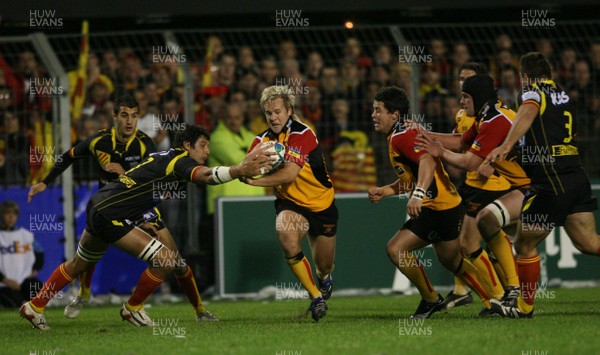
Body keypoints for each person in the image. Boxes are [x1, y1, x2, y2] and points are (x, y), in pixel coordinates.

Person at [20, 125, 272, 330]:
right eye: (203, 145)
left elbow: (140, 186)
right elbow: (205, 176)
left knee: (78, 264)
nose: (207, 151)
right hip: (112, 214)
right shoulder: (179, 161)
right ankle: (133, 308)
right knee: (166, 261)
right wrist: (238, 170)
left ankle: (35, 306)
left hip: (101, 205)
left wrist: (146, 216)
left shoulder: (158, 157)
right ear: (187, 146)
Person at [485, 52, 600, 318]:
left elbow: (528, 111)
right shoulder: (564, 94)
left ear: (525, 76)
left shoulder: (531, 92)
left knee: (524, 245)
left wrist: (506, 144)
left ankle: (523, 308)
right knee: (589, 242)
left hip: (551, 180)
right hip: (575, 175)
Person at [368, 86, 493, 319]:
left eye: (378, 110)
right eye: (373, 110)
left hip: (441, 208)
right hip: (441, 207)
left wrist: (418, 195)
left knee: (397, 249)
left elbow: (427, 162)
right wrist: (386, 190)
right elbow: (413, 176)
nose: (373, 115)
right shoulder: (398, 136)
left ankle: (434, 299)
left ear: (395, 115)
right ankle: (492, 300)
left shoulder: (402, 136)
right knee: (452, 260)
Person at [416, 75, 531, 315]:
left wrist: (439, 151)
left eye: (465, 95)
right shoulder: (485, 116)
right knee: (490, 225)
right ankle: (509, 292)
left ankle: (511, 293)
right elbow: (459, 143)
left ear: (477, 96)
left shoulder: (495, 121)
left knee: (579, 239)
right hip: (522, 186)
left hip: (538, 186)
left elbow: (469, 162)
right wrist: (425, 134)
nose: (461, 100)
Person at [243, 85, 336, 322]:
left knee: (324, 264)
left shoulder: (302, 133)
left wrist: (254, 182)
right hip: (290, 202)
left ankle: (323, 279)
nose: (273, 117)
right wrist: (245, 168)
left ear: (289, 111)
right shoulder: (261, 140)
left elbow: (289, 175)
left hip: (321, 204)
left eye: (277, 111)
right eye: (268, 113)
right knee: (286, 236)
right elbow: (246, 165)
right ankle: (316, 297)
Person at [0, 201, 44, 308]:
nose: (11, 217)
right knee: (15, 304)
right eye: (7, 214)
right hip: (3, 283)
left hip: (23, 280)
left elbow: (40, 253)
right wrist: (5, 280)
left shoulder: (26, 235)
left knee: (39, 289)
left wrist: (34, 270)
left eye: (14, 214)